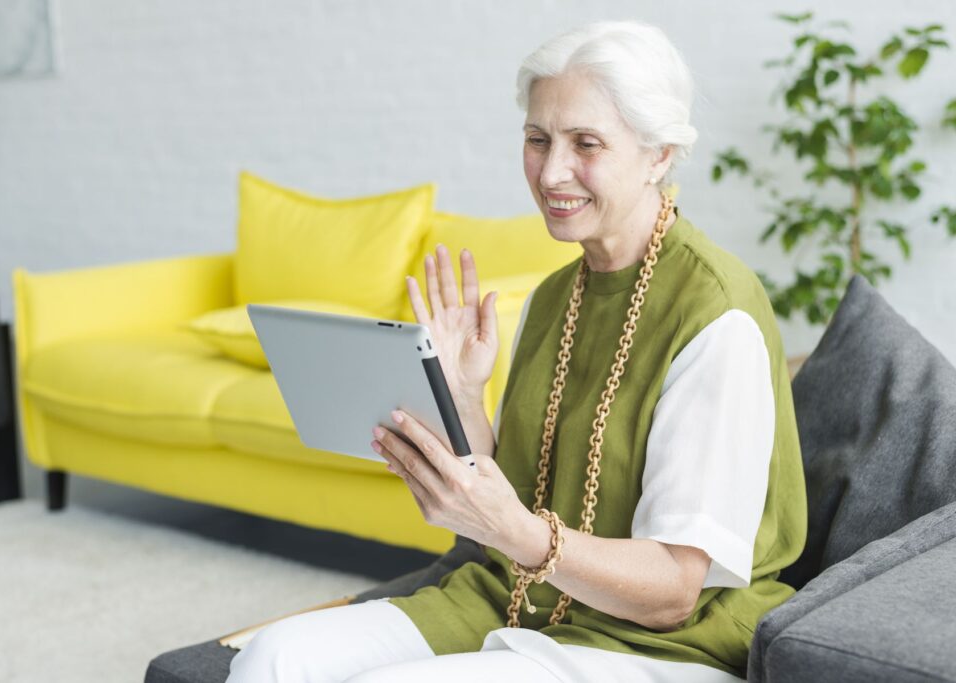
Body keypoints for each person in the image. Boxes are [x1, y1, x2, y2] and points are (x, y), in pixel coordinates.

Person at [227, 19, 805, 683]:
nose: (552, 170)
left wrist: (521, 536)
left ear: (660, 155)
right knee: (272, 657)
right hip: (512, 601)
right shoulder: (553, 294)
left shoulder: (716, 311)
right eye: (537, 139)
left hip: (657, 645)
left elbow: (674, 591)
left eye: (586, 142)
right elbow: (511, 499)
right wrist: (462, 394)